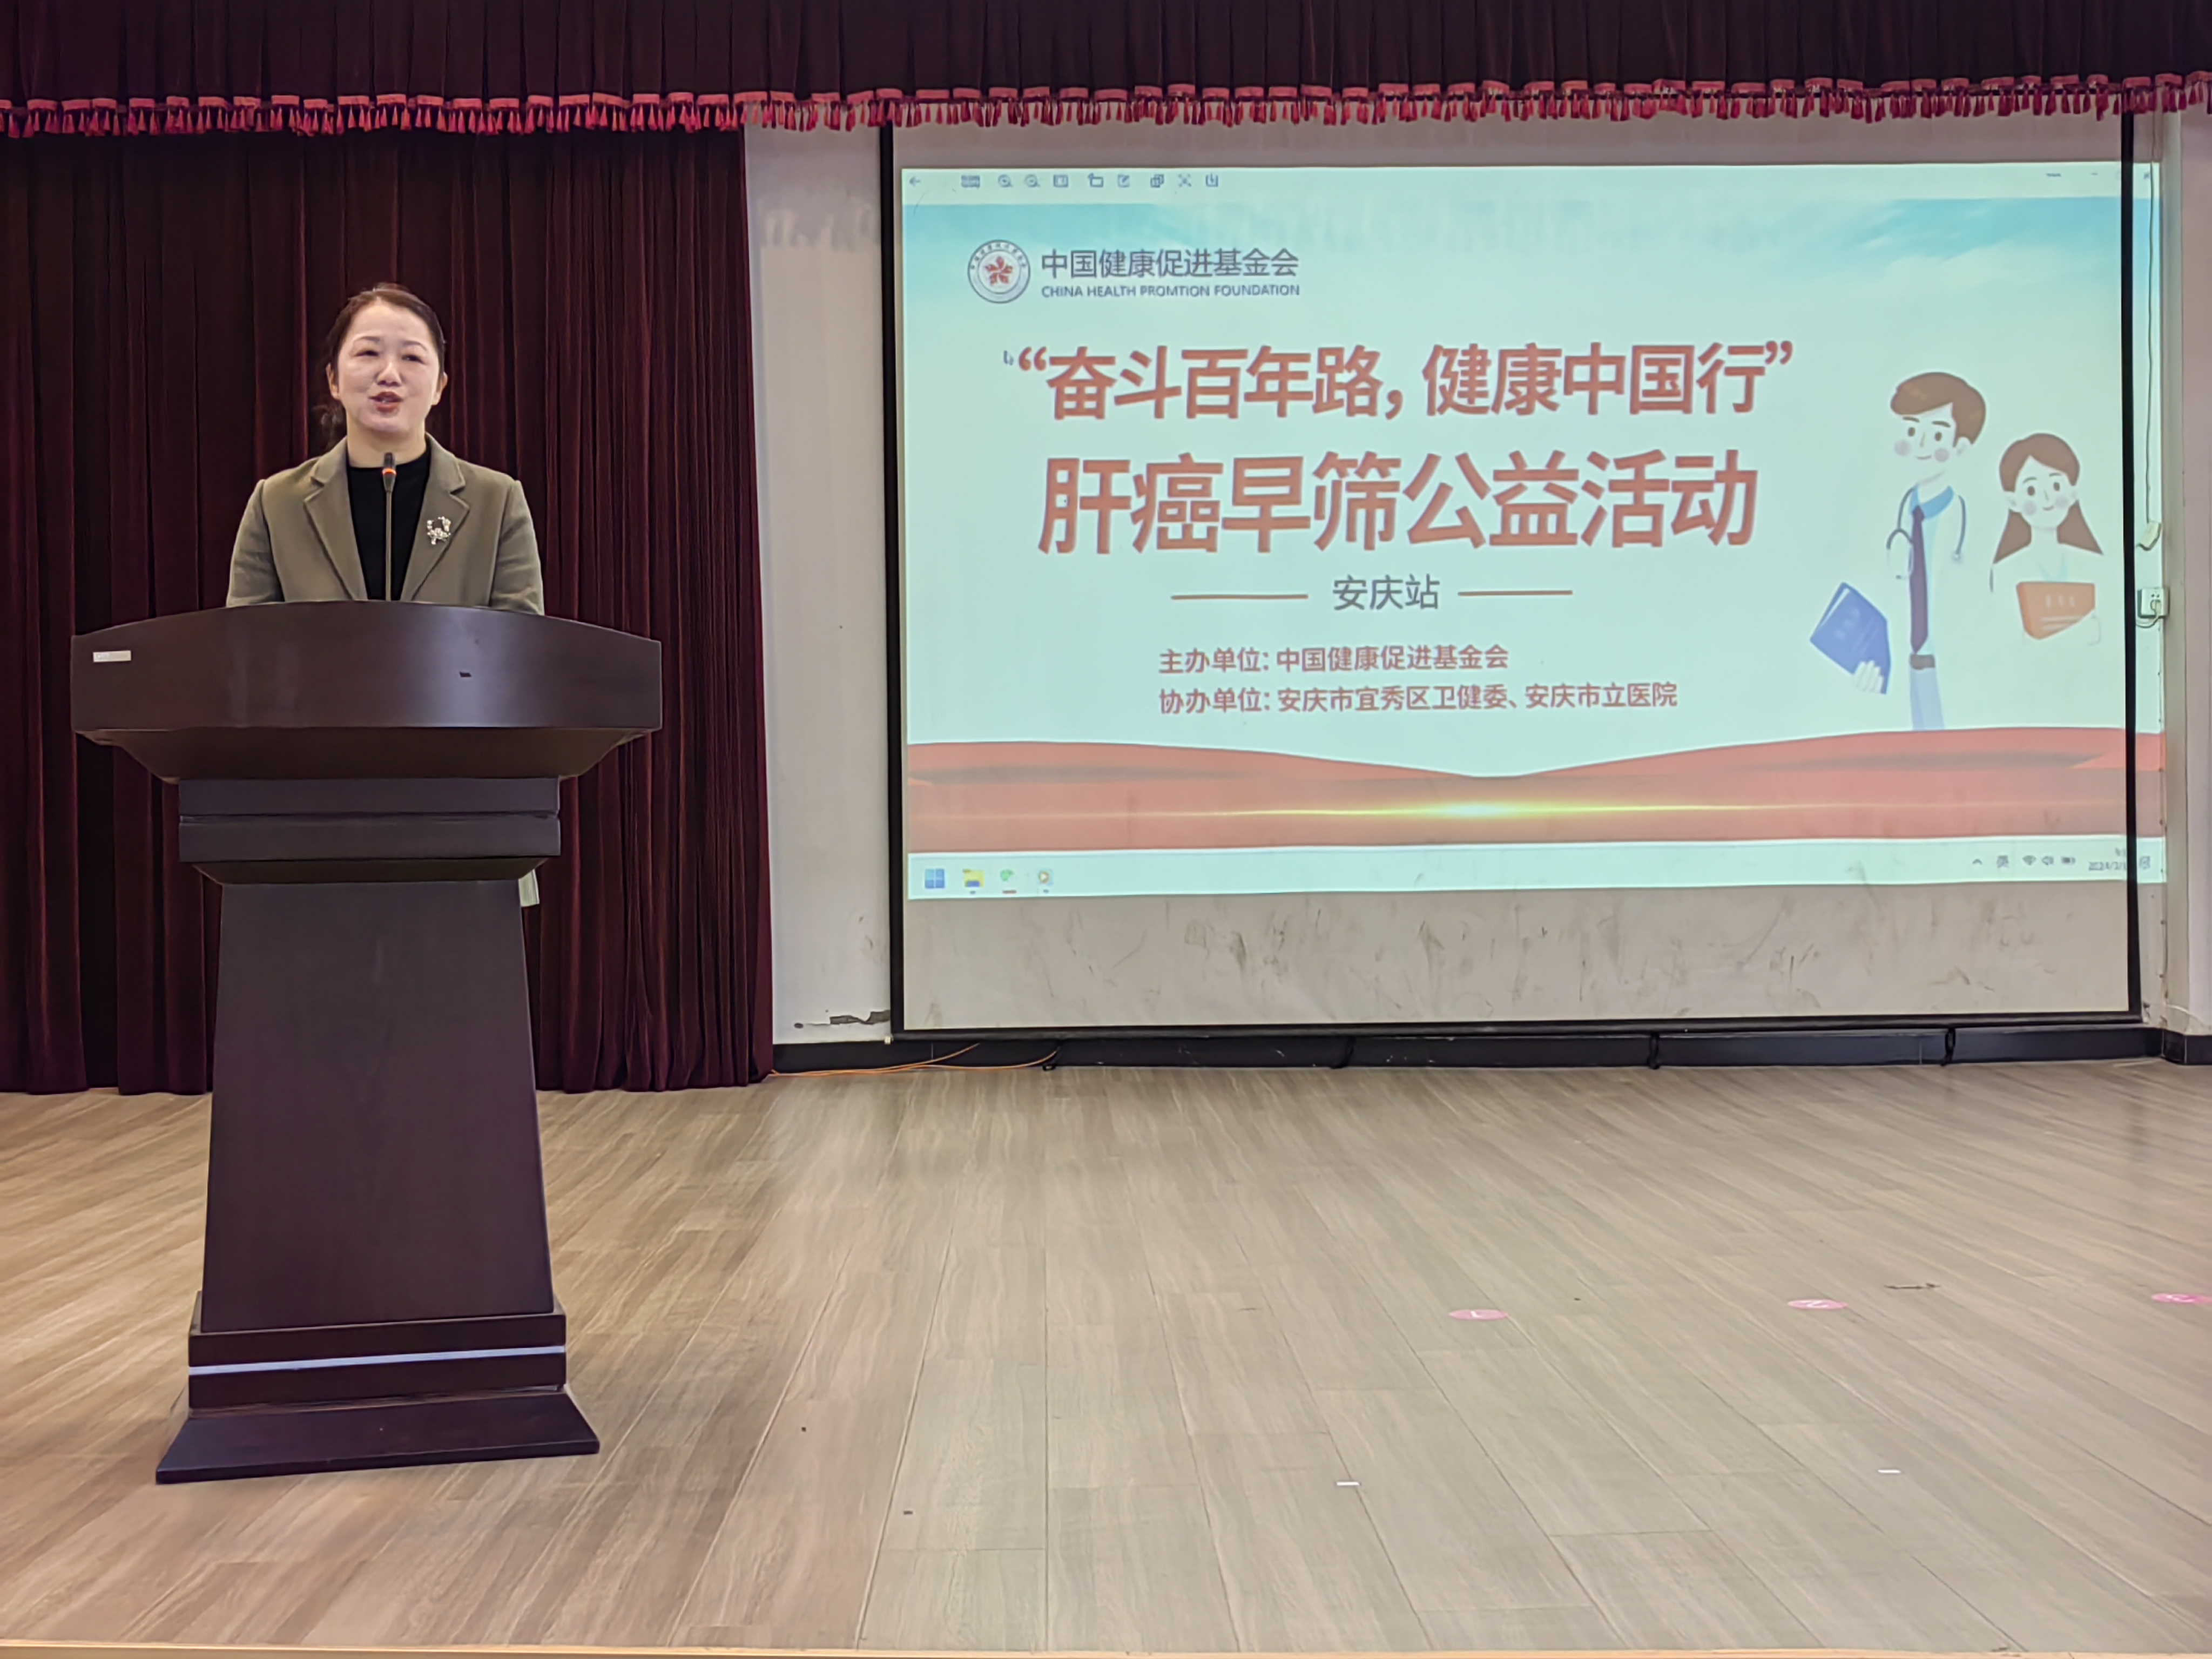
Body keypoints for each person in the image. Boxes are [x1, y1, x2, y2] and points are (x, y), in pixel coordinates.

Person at [227, 283, 543, 612]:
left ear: (439, 387)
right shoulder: (276, 505)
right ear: (334, 380)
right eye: (368, 353)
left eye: (412, 357)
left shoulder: (497, 503)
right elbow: (246, 638)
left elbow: (520, 639)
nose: (389, 374)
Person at [1854, 370, 1985, 731]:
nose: (1922, 445)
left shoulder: (1971, 524)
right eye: (1912, 431)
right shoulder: (1895, 516)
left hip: (1952, 671)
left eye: (1937, 435)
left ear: (1961, 448)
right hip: (1904, 668)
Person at [1990, 433, 2104, 645]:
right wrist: (2082, 633)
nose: (2047, 499)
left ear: (2073, 492)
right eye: (2031, 490)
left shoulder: (2095, 565)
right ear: (2013, 501)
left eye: (2056, 486)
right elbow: (2010, 644)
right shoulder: (2005, 571)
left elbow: (2104, 632)